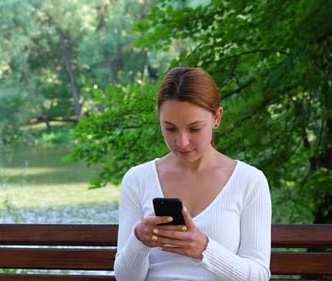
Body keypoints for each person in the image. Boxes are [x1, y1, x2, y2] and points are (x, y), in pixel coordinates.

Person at [113, 67, 272, 281]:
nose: (182, 142)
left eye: (194, 128)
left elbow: (259, 276)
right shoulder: (137, 179)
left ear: (217, 117)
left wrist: (204, 249)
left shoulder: (249, 181)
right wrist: (139, 240)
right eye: (170, 128)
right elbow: (126, 279)